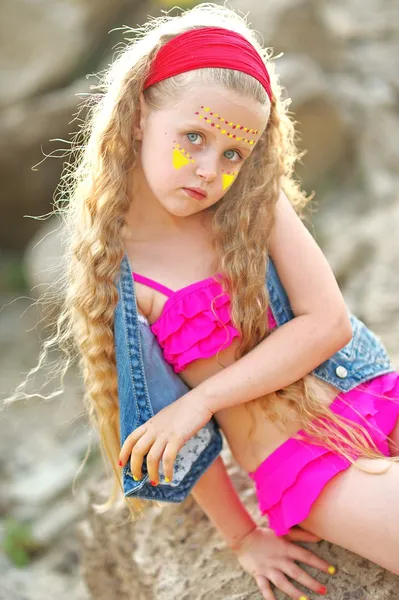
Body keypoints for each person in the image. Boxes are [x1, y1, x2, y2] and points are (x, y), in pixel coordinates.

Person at [5, 4, 399, 600]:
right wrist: (243, 539)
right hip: (304, 464)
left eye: (233, 153)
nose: (210, 170)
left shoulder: (254, 205)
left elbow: (329, 324)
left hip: (368, 389)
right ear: (139, 117)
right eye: (194, 138)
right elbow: (164, 433)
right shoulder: (122, 280)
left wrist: (203, 401)